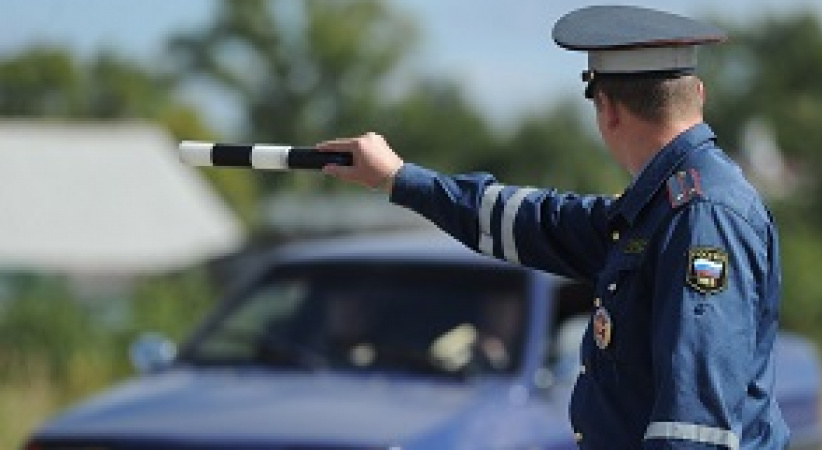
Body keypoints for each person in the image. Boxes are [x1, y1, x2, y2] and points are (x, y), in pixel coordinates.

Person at [316, 5, 788, 449]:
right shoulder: (663, 207)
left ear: (607, 109)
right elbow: (535, 221)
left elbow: (694, 428)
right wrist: (399, 179)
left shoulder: (699, 214)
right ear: (697, 94)